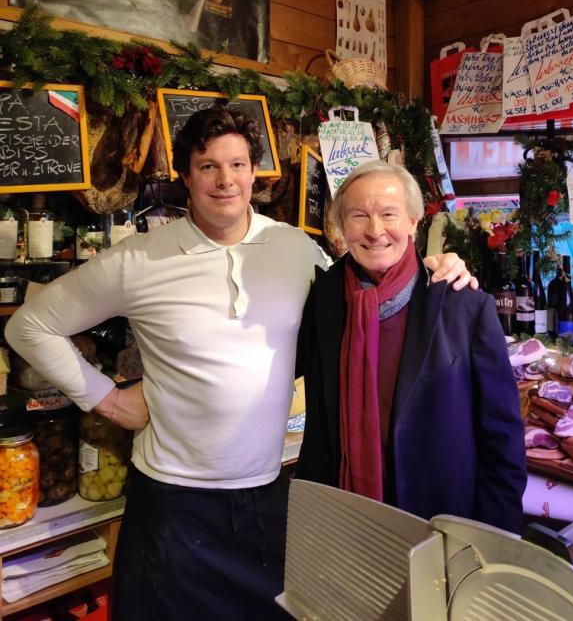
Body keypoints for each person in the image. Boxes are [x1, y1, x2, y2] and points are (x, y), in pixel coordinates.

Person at [6, 105, 476, 620]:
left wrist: (436, 264)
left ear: (255, 172)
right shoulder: (137, 259)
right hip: (170, 505)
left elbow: (372, 288)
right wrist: (108, 400)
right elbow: (28, 326)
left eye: (237, 165)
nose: (225, 180)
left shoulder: (297, 249)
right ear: (185, 176)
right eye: (207, 166)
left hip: (266, 499)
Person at [294, 160, 527, 534]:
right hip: (343, 521)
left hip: (442, 522)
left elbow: (503, 441)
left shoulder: (462, 305)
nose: (375, 231)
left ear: (413, 223)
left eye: (389, 214)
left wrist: (494, 539)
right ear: (341, 227)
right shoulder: (325, 298)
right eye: (358, 216)